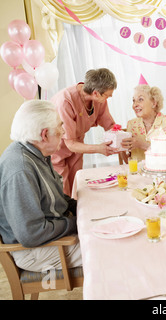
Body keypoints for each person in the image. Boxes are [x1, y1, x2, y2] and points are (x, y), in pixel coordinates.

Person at [0, 100, 82, 272]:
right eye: (60, 127)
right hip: (32, 251)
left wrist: (83, 208)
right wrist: (75, 223)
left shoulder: (36, 153)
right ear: (44, 135)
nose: (64, 131)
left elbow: (57, 199)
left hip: (48, 236)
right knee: (106, 247)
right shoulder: (21, 168)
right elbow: (32, 234)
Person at [51, 68, 125, 197]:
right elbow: (70, 144)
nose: (110, 97)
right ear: (96, 93)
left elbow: (108, 123)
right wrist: (99, 148)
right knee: (62, 188)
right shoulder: (65, 101)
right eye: (107, 95)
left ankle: (77, 214)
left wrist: (121, 137)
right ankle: (66, 216)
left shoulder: (99, 100)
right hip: (57, 146)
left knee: (76, 183)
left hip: (77, 144)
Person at [122, 80, 166, 163]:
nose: (135, 105)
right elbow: (128, 159)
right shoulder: (131, 124)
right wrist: (122, 147)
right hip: (138, 173)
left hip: (161, 172)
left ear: (154, 103)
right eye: (133, 100)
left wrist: (143, 145)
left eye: (140, 99)